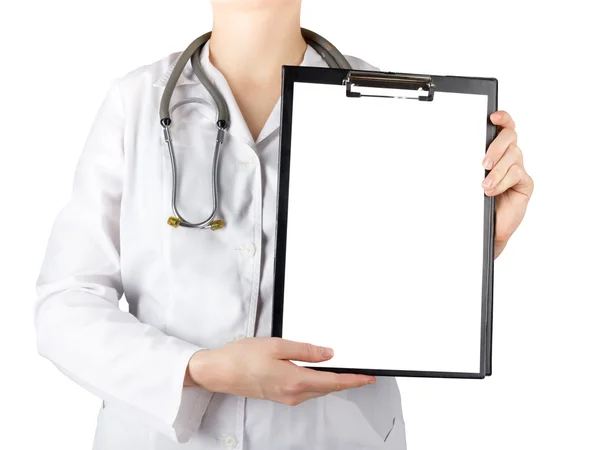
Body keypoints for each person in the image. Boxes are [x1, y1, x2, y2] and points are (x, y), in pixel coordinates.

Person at [33, 1, 534, 449]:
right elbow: (64, 307)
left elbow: (401, 294)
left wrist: (477, 245)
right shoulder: (136, 102)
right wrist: (200, 370)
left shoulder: (398, 106)